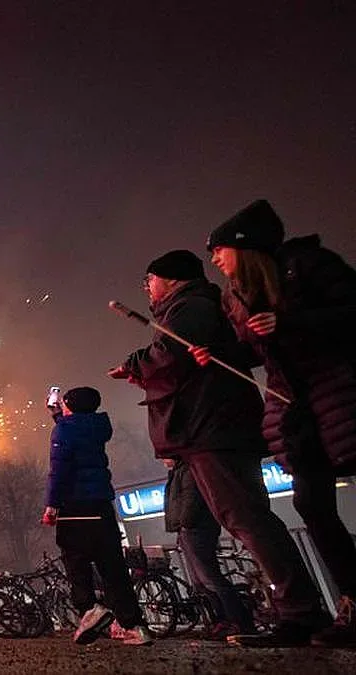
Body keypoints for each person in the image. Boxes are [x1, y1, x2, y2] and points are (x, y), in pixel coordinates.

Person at [110, 248, 329, 648]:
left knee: (247, 518)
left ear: (171, 278)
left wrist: (138, 363)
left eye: (150, 279)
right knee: (246, 518)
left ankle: (299, 612)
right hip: (211, 429)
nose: (147, 288)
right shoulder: (195, 307)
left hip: (212, 429)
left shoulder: (190, 306)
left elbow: (169, 357)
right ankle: (298, 610)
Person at [197, 199, 356, 647]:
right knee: (313, 505)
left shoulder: (307, 266)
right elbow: (256, 352)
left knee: (314, 504)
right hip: (297, 411)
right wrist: (220, 355)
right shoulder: (237, 295)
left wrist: (289, 321)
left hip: (338, 394)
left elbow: (349, 313)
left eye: (220, 249)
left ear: (244, 247)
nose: (215, 259)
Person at [41, 386, 153, 646]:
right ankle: (135, 626)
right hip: (102, 506)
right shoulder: (97, 427)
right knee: (113, 567)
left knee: (75, 560)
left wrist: (51, 506)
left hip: (75, 507)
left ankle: (90, 608)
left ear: (70, 405)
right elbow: (77, 433)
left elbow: (59, 471)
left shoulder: (64, 431)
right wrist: (59, 416)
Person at [162, 458, 255, 639]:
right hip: (190, 529)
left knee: (211, 579)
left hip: (196, 528)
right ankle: (223, 620)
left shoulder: (187, 471)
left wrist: (185, 523)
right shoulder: (180, 472)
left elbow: (191, 498)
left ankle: (239, 621)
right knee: (202, 582)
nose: (162, 459)